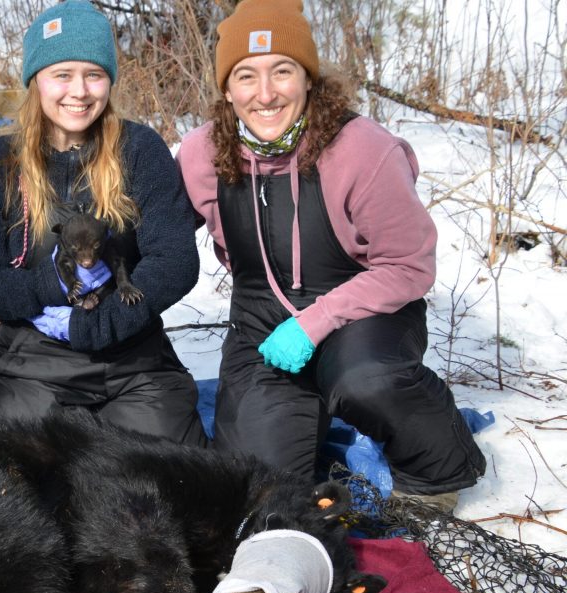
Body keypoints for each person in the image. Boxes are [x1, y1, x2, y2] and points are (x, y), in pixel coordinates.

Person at [176, 0, 486, 510]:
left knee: (365, 381)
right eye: (246, 75)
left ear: (309, 78)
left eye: (283, 71)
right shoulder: (200, 153)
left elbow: (409, 265)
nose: (266, 93)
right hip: (263, 326)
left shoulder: (362, 149)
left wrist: (317, 321)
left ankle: (439, 466)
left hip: (364, 314)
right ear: (227, 89)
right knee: (251, 488)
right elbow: (152, 230)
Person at [0, 0, 206, 447]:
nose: (79, 91)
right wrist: (48, 287)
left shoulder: (140, 149)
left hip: (131, 353)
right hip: (33, 361)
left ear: (109, 81)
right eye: (62, 74)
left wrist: (101, 324)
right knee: (17, 485)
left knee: (175, 482)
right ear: (36, 79)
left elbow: (174, 259)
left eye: (93, 74)